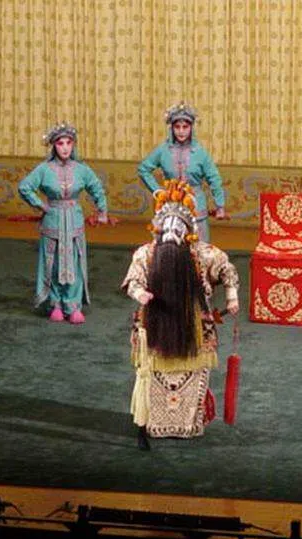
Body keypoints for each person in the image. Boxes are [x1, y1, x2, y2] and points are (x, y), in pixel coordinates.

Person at [121, 179, 239, 450]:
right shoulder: (146, 254)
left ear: (188, 233)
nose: (171, 236)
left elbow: (228, 270)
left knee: (193, 374)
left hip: (194, 327)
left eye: (178, 229)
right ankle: (152, 422)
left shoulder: (204, 254)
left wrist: (232, 296)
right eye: (166, 229)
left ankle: (189, 423)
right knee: (152, 376)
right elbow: (132, 281)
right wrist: (140, 294)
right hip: (155, 325)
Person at [17, 121, 109, 323]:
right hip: (53, 220)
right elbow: (24, 187)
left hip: (74, 220)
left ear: (73, 145)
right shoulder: (44, 169)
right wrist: (41, 205)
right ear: (54, 146)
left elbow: (96, 188)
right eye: (60, 143)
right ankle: (55, 304)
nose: (65, 148)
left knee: (74, 261)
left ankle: (73, 305)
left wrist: (102, 210)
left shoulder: (81, 169)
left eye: (69, 143)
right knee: (53, 262)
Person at [137, 101, 227, 243]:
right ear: (171, 128)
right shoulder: (163, 150)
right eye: (177, 127)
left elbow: (214, 179)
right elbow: (143, 169)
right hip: (169, 208)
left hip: (196, 207)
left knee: (199, 248)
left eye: (185, 127)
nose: (181, 131)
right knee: (168, 246)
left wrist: (220, 206)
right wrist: (157, 191)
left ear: (191, 128)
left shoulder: (200, 153)